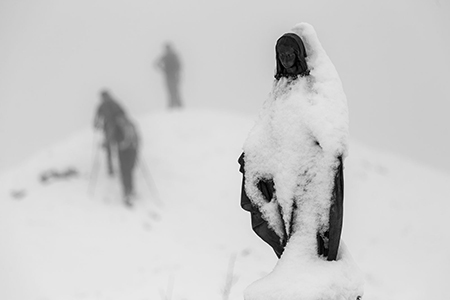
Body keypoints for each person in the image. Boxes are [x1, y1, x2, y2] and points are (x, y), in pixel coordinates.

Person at [238, 32, 345, 261]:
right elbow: (267, 125)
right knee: (286, 221)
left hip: (308, 170)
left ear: (299, 55)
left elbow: (327, 124)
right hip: (284, 169)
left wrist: (325, 146)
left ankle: (312, 259)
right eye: (282, 55)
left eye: (290, 54)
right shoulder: (280, 87)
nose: (286, 59)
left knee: (310, 223)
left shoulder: (312, 86)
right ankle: (296, 259)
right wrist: (252, 153)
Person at [93, 90, 126, 176]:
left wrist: (96, 124)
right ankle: (114, 168)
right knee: (113, 149)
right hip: (112, 130)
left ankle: (114, 168)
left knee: (112, 149)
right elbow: (123, 114)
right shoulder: (111, 104)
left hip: (115, 130)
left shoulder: (108, 105)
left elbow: (122, 114)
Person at [115, 115, 140, 207]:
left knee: (125, 171)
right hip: (132, 151)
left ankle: (127, 192)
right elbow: (137, 139)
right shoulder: (131, 126)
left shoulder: (126, 127)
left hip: (126, 152)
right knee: (129, 171)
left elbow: (126, 141)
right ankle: (130, 190)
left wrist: (121, 145)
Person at [155, 42, 183, 108]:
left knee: (173, 90)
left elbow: (179, 66)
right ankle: (176, 105)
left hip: (171, 76)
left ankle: (175, 105)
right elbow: (179, 65)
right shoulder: (172, 55)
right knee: (173, 90)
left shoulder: (168, 55)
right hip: (172, 76)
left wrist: (163, 70)